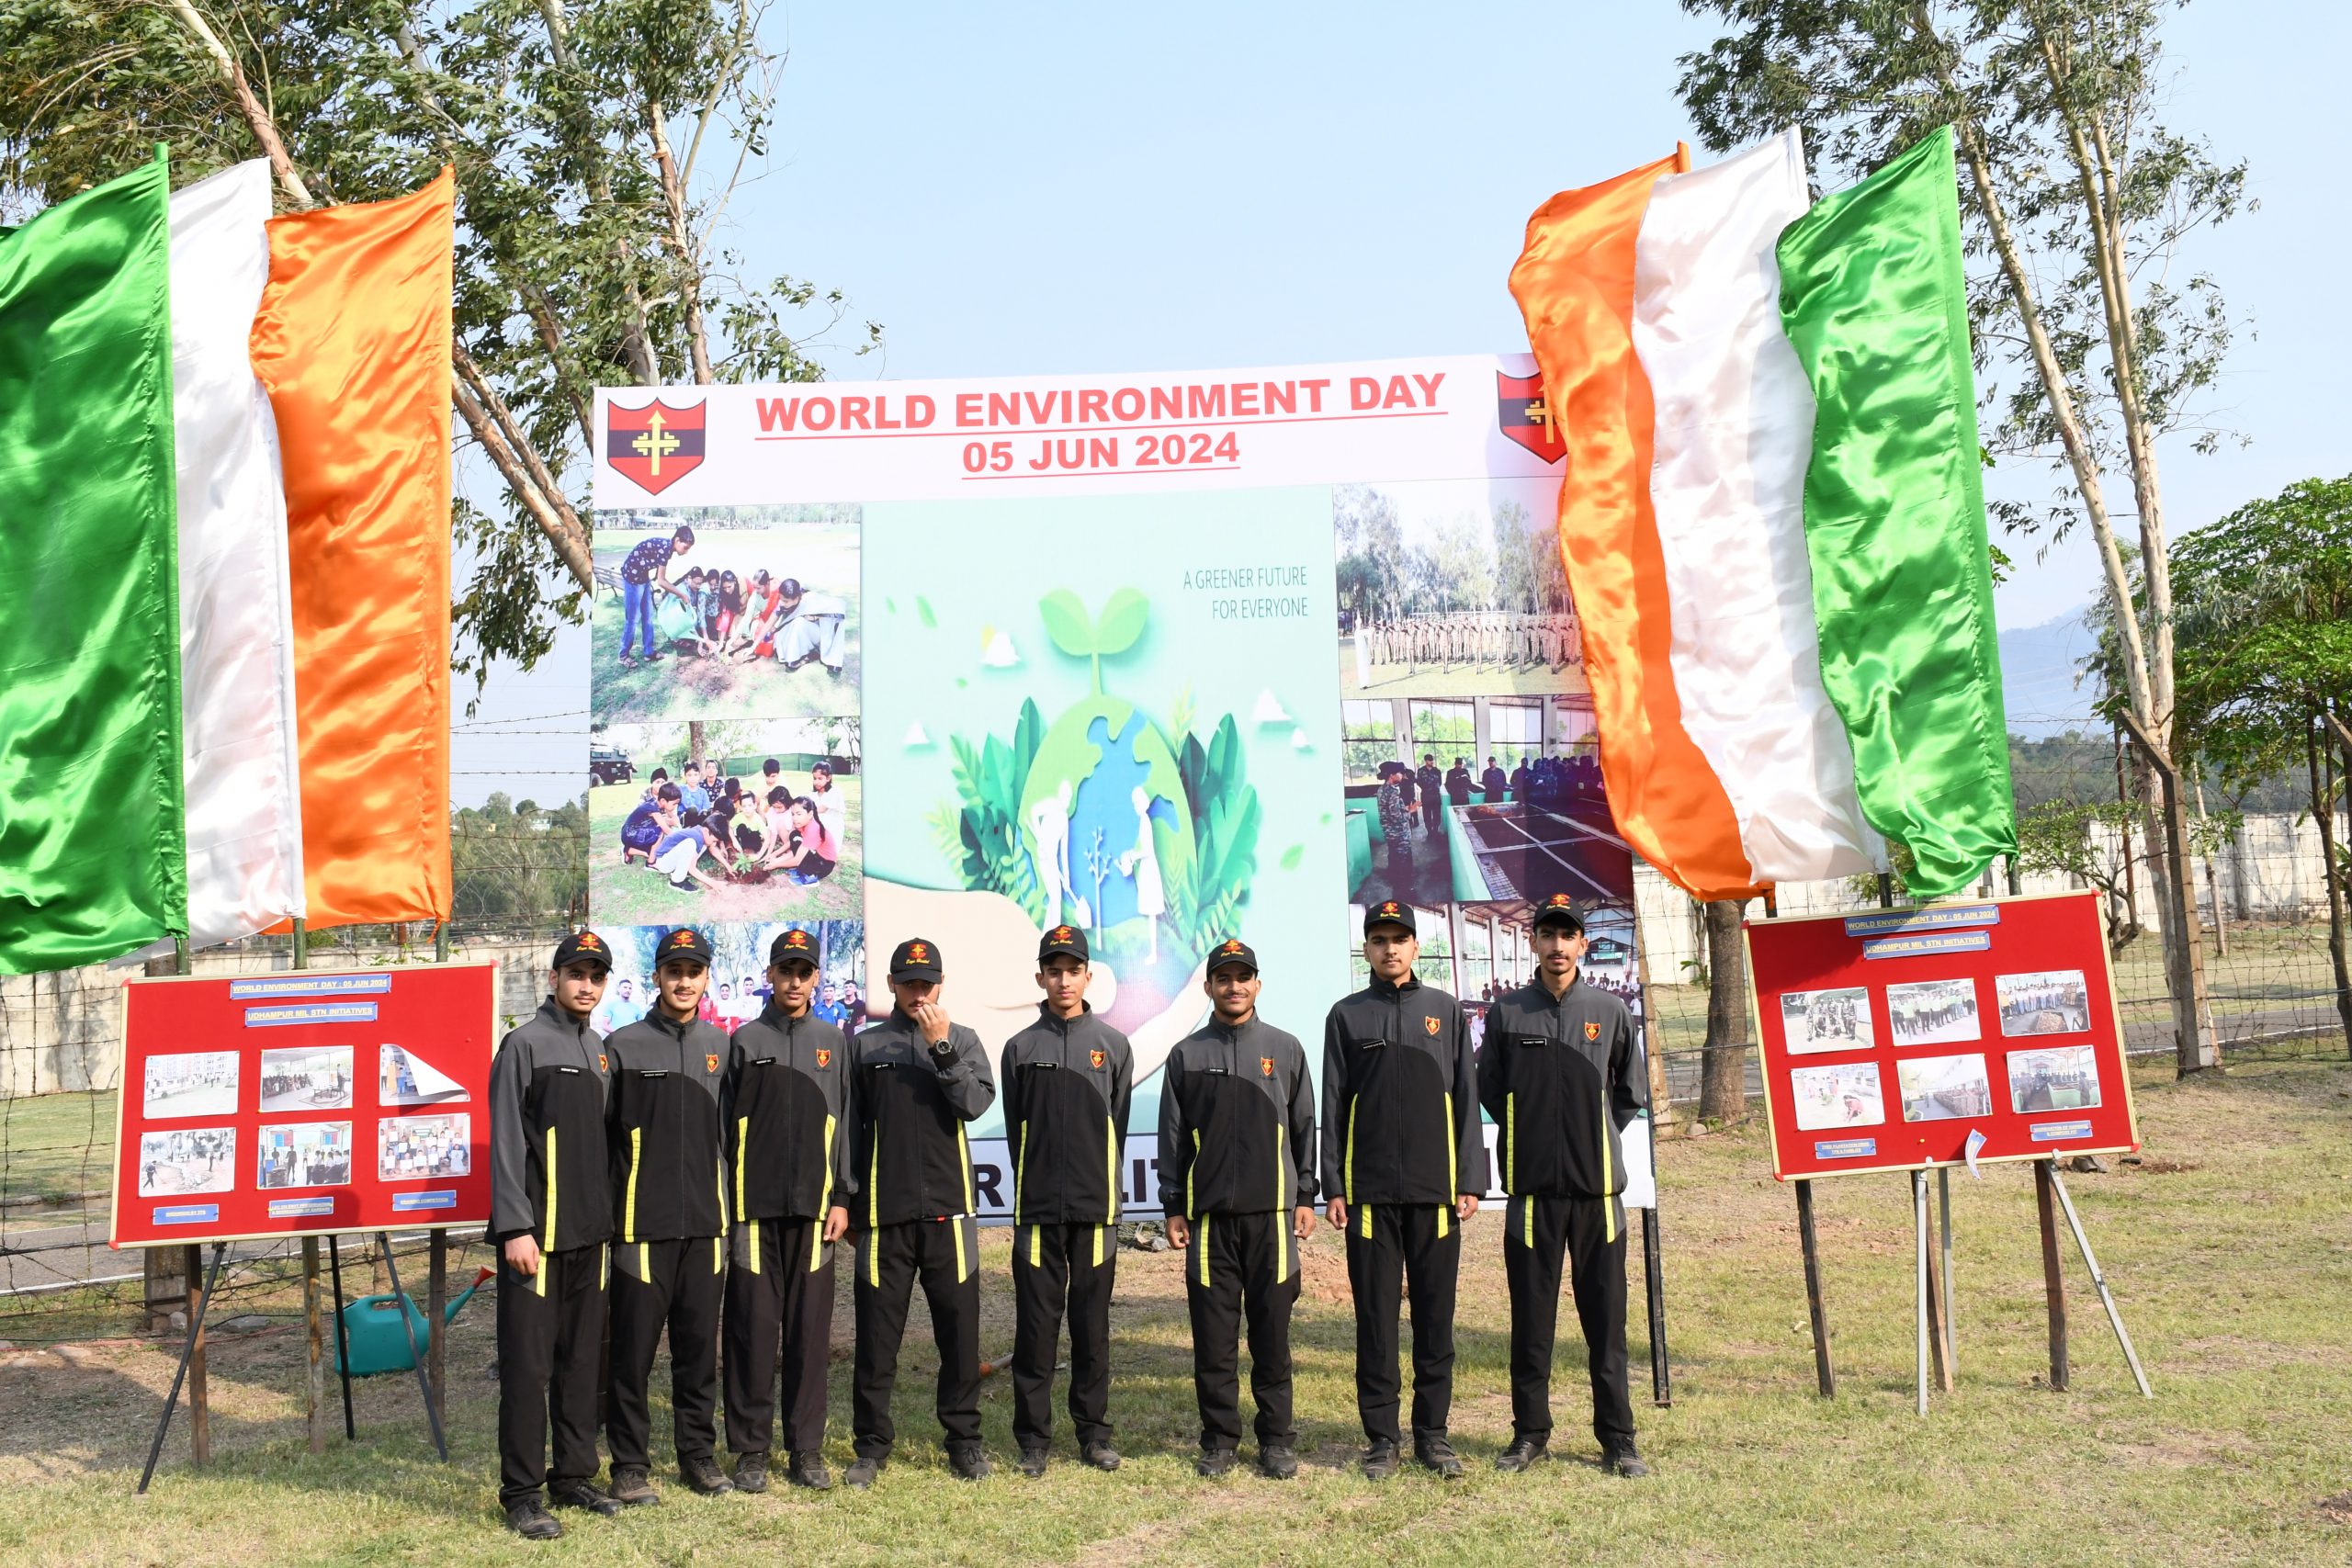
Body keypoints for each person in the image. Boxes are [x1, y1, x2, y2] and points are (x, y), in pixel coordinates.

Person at [1477, 894, 1650, 1478]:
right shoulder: (1507, 1014)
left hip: (1599, 1196)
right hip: (1530, 1197)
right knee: (1531, 1322)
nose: (1557, 945)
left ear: (1582, 944)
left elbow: (1629, 1091)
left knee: (1606, 1323)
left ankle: (1618, 1439)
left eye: (1567, 935)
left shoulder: (1610, 1010)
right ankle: (1530, 1434)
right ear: (1533, 943)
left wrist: (1590, 1134)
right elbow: (1490, 1089)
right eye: (1546, 934)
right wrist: (1533, 1132)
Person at [1321, 899, 1482, 1481]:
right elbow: (1333, 1105)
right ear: (1366, 949)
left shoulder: (1445, 1012)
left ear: (1417, 947)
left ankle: (1433, 1437)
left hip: (1436, 1196)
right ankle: (1382, 1439)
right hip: (1369, 1199)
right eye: (1379, 939)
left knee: (1436, 1318)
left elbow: (1465, 1097)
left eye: (1400, 939)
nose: (1390, 949)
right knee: (1377, 1320)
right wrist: (1334, 1185)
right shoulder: (1346, 1016)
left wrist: (1470, 1178)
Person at [831, 938, 997, 1485]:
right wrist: (848, 1203)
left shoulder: (964, 1039)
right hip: (883, 1219)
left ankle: (965, 1442)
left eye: (927, 983)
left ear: (941, 985)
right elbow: (850, 1131)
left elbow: (974, 1104)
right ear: (891, 985)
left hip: (950, 1219)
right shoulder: (864, 1046)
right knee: (877, 1341)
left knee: (960, 1337)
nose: (918, 992)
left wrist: (941, 1046)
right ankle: (871, 1447)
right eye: (908, 982)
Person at [1159, 939, 1317, 1479]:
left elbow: (1302, 1132)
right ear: (1208, 987)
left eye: (1243, 976)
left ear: (1258, 983)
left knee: (1272, 1338)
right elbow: (1174, 1139)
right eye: (1223, 978)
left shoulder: (1286, 1049)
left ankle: (1276, 1440)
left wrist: (1304, 1197)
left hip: (1272, 1222)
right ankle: (1220, 1440)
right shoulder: (1186, 1055)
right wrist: (1174, 1205)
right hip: (1209, 1226)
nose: (1234, 986)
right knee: (1215, 1340)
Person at [488, 932, 619, 1538]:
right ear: (554, 976)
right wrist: (515, 1225)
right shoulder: (523, 1044)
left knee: (580, 1365)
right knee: (528, 1369)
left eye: (596, 975)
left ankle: (573, 1475)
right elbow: (508, 1142)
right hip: (535, 1243)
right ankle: (521, 1491)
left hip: (590, 1243)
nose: (586, 984)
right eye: (576, 973)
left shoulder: (599, 1050)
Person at [603, 927, 736, 1504]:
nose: (684, 980)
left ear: (706, 978)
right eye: (673, 970)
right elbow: (604, 1142)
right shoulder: (623, 1046)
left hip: (707, 1230)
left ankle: (698, 1458)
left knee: (697, 1352)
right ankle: (630, 1465)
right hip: (640, 1229)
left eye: (694, 970)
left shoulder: (722, 1047)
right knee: (632, 1356)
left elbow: (734, 1137)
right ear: (657, 976)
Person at [721, 929, 853, 1494]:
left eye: (804, 972)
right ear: (770, 975)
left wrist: (843, 1197)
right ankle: (751, 1450)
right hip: (753, 1214)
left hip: (817, 1216)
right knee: (751, 1331)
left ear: (816, 977)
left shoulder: (834, 1040)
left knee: (808, 1334)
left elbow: (845, 1124)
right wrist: (729, 1204)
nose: (795, 981)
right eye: (785, 971)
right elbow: (725, 1129)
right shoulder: (746, 1040)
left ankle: (806, 1449)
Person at [999, 926, 1134, 1477]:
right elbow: (1016, 1130)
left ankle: (1094, 1435)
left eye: (1071, 969)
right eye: (1052, 970)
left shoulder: (1113, 1046)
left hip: (1096, 1214)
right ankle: (1033, 1440)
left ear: (1087, 976)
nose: (1062, 979)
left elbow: (1116, 1128)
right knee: (1035, 1328)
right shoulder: (1020, 1048)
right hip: (1036, 1217)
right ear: (1040, 977)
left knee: (1091, 1327)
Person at [617, 525, 693, 667]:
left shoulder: (668, 549)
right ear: (677, 540)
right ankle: (623, 656)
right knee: (633, 619)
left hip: (643, 578)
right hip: (632, 578)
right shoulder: (665, 549)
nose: (686, 551)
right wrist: (682, 594)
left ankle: (649, 652)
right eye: (685, 547)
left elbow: (658, 574)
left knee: (648, 616)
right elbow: (661, 581)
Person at [1374, 764, 1415, 902]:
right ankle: (1403, 894)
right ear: (1391, 775)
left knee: (1394, 859)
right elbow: (1396, 817)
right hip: (1399, 834)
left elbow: (1391, 810)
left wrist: (1404, 808)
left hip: (1390, 834)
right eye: (1399, 773)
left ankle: (1395, 882)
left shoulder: (1382, 790)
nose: (1402, 775)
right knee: (1403, 865)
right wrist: (1411, 811)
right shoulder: (1392, 792)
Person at [1415, 755, 1443, 841]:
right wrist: (1426, 787)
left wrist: (1433, 788)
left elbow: (1440, 782)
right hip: (1426, 795)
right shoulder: (1421, 771)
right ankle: (1429, 833)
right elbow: (1418, 782)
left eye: (1432, 760)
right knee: (1427, 815)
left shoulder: (1437, 771)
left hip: (1435, 795)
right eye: (1430, 760)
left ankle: (1435, 831)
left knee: (1437, 814)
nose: (1432, 762)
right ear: (1426, 761)